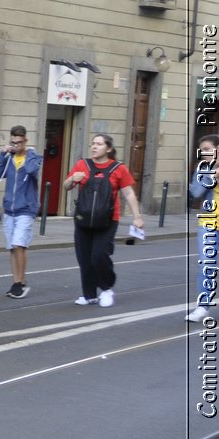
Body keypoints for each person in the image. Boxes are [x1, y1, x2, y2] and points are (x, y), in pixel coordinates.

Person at [65, 132, 143, 308]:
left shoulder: (118, 168)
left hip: (108, 220)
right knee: (84, 259)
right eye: (93, 143)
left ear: (108, 148)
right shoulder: (82, 165)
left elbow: (128, 193)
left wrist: (137, 217)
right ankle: (89, 295)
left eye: (99, 144)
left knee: (99, 256)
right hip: (83, 219)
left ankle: (107, 288)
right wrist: (72, 179)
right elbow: (66, 186)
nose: (94, 146)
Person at [0, 125, 43, 298]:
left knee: (19, 244)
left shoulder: (33, 158)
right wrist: (2, 155)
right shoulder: (9, 158)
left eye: (19, 143)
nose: (16, 146)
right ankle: (17, 281)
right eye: (13, 143)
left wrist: (26, 154)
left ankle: (19, 283)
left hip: (26, 209)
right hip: (10, 209)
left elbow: (31, 170)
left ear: (25, 141)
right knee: (13, 248)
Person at [188, 135, 219, 323]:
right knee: (206, 266)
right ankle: (202, 307)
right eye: (202, 149)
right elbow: (196, 193)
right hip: (209, 223)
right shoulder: (202, 168)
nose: (205, 152)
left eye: (208, 148)